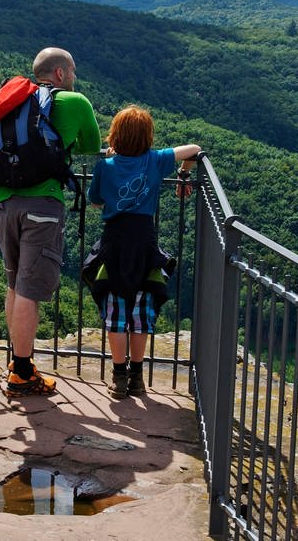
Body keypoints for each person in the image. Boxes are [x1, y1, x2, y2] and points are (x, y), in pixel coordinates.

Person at [0, 47, 101, 397]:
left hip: (1, 202)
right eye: (72, 71)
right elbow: (91, 145)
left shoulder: (11, 99)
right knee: (30, 289)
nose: (74, 77)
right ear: (59, 74)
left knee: (13, 284)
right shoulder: (74, 101)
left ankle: (17, 361)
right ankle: (22, 373)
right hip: (42, 205)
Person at [86, 105, 200, 399]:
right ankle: (138, 377)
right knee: (140, 313)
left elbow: (96, 201)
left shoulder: (105, 167)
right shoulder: (155, 160)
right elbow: (194, 149)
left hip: (114, 244)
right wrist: (183, 176)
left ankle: (119, 377)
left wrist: (112, 162)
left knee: (116, 313)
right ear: (148, 137)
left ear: (115, 135)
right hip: (145, 244)